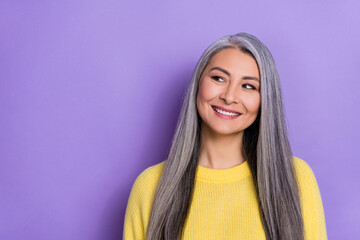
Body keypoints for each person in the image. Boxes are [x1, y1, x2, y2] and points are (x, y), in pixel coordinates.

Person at [123, 33, 327, 240]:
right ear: (198, 85)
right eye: (218, 78)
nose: (229, 97)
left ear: (264, 100)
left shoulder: (296, 178)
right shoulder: (150, 187)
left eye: (248, 86)